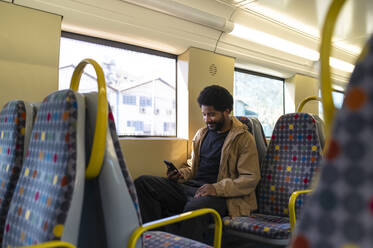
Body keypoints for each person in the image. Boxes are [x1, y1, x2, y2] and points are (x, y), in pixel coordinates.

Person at [134, 85, 260, 242]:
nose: (207, 120)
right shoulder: (202, 134)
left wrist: (216, 188)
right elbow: (192, 167)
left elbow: (250, 179)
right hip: (191, 187)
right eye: (204, 115)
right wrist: (180, 175)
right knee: (143, 183)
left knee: (194, 210)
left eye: (212, 115)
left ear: (227, 111)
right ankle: (157, 241)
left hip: (223, 196)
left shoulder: (243, 138)